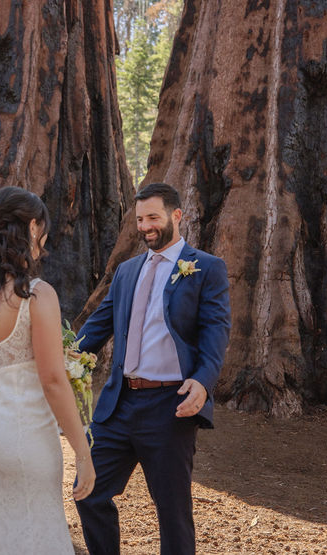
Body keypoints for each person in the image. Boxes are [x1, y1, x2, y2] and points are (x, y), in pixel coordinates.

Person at [74, 182, 231, 555]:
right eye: (140, 219)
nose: (145, 226)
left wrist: (203, 382)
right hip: (117, 404)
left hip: (169, 406)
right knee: (88, 492)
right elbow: (100, 322)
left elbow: (216, 331)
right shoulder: (127, 271)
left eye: (153, 218)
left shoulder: (206, 268)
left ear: (177, 216)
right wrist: (67, 356)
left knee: (173, 512)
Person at [0, 186, 96, 554]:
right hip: (24, 442)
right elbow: (52, 380)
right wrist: (82, 452)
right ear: (33, 227)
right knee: (37, 537)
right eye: (42, 231)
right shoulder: (37, 295)